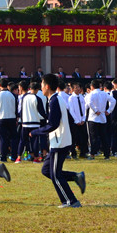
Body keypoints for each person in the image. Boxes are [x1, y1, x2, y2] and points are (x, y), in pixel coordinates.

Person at [31, 74, 85, 207]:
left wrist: (35, 132)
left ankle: (71, 201)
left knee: (55, 175)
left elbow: (53, 124)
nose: (41, 87)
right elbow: (69, 120)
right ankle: (76, 177)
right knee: (46, 170)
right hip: (61, 140)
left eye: (42, 85)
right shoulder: (56, 99)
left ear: (47, 86)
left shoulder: (55, 100)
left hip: (59, 142)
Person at [0, 78, 18, 162]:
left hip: (1, 118)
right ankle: (14, 156)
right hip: (12, 117)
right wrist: (16, 117)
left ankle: (3, 156)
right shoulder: (12, 95)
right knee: (13, 138)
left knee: (2, 138)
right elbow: (16, 107)